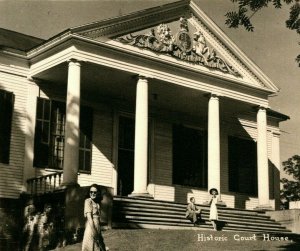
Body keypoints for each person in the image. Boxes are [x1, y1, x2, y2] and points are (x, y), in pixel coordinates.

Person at [82, 184, 108, 251]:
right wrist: (94, 232)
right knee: (91, 247)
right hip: (91, 228)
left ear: (98, 193)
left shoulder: (97, 203)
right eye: (91, 192)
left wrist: (98, 232)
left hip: (97, 227)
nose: (92, 194)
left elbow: (98, 219)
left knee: (100, 247)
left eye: (95, 192)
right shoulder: (88, 201)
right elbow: (89, 218)